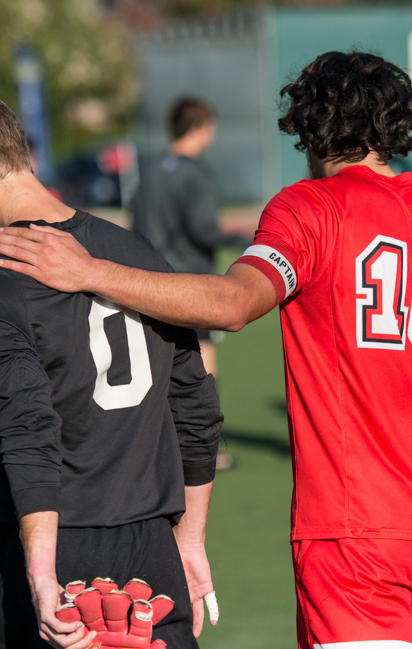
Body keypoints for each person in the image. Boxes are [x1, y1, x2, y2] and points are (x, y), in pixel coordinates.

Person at [0, 51, 412, 649]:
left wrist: (89, 271)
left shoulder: (310, 209)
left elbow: (234, 304)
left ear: (307, 126)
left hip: (353, 532)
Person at [0, 93, 223, 649]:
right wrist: (190, 541)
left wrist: (41, 572)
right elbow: (198, 407)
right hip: (151, 548)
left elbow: (28, 422)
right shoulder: (135, 253)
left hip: (44, 545)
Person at [131, 98, 250, 470]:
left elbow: (135, 225)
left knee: (158, 366)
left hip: (150, 281)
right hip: (191, 284)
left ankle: (158, 448)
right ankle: (205, 448)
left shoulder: (149, 170)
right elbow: (203, 230)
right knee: (200, 371)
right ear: (199, 127)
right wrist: (247, 239)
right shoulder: (196, 173)